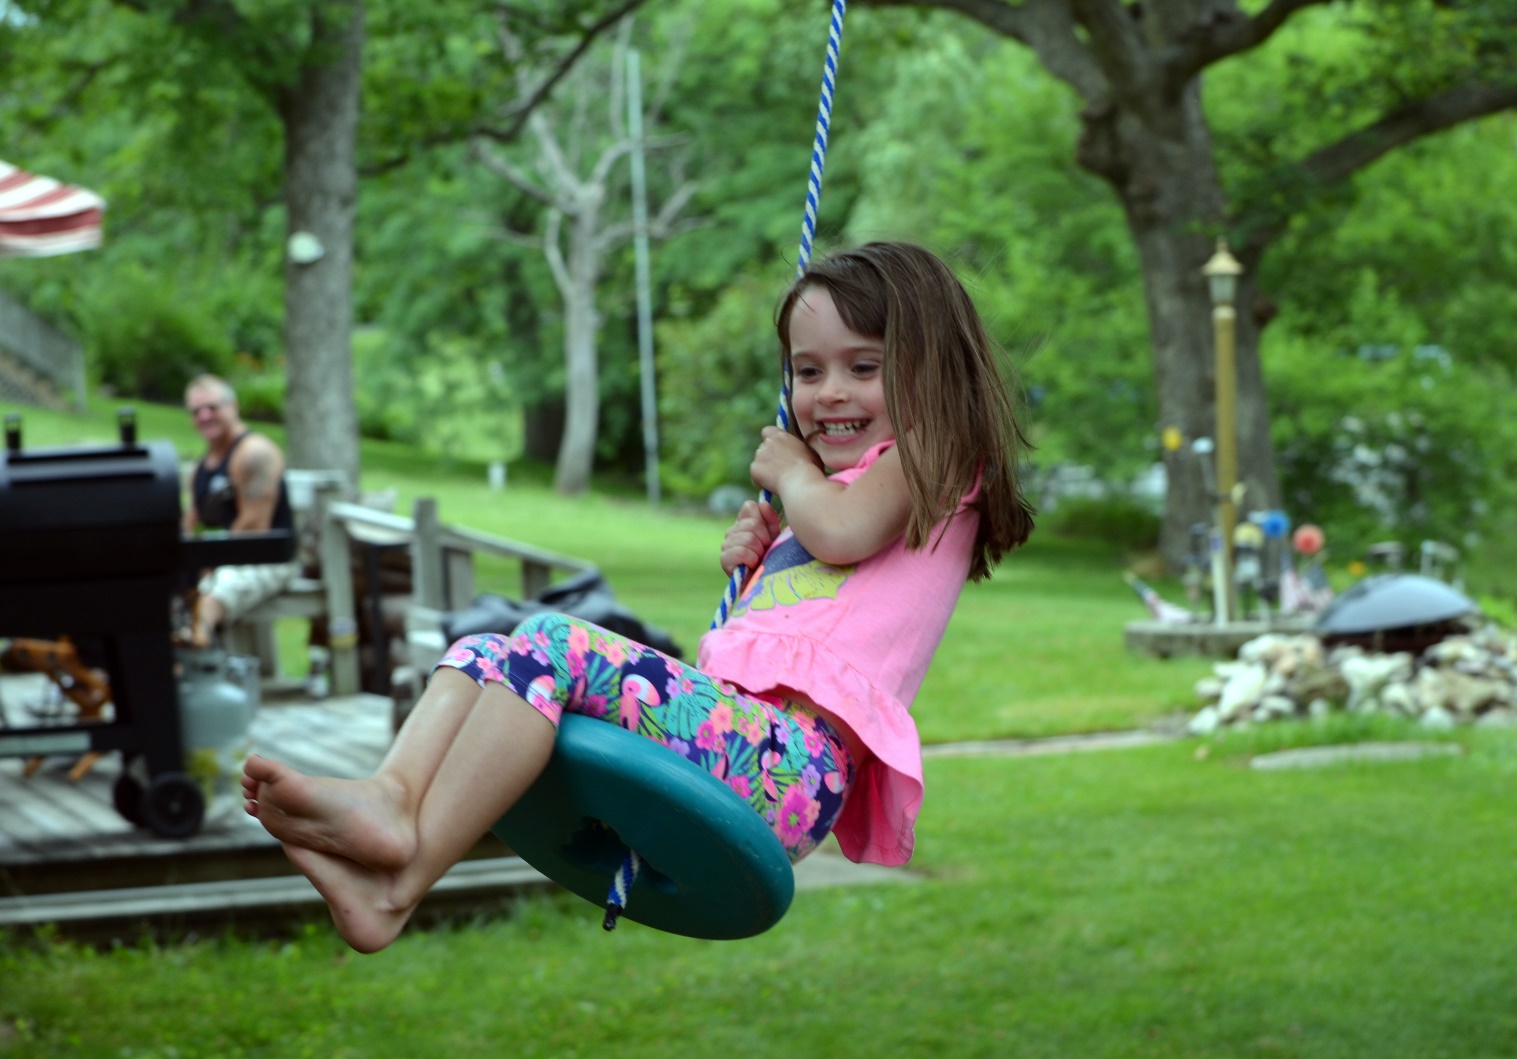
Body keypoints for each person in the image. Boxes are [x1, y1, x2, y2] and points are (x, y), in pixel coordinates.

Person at [240, 242, 1036, 953]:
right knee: (488, 652)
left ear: (930, 369)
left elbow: (844, 532)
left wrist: (795, 479)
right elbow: (825, 565)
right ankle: (393, 797)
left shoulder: (935, 456)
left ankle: (398, 879)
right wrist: (763, 553)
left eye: (864, 367)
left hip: (792, 767)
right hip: (747, 742)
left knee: (555, 642)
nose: (829, 392)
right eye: (806, 369)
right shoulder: (839, 490)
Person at [182, 373, 296, 648]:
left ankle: (197, 638)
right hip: (222, 556)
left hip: (268, 557)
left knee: (217, 587)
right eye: (197, 411)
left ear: (233, 407)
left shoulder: (254, 453)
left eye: (212, 407)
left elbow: (255, 527)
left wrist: (207, 564)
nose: (205, 416)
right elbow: (190, 524)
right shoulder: (202, 466)